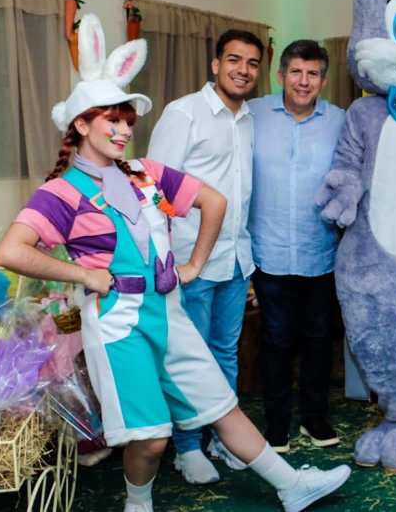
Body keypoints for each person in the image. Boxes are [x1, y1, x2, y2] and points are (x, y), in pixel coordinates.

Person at [0, 15, 351, 512]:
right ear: (81, 125)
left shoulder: (143, 173)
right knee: (152, 438)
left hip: (168, 308)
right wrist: (83, 274)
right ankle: (138, 503)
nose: (124, 131)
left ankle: (292, 486)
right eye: (112, 121)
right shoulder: (61, 192)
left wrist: (194, 264)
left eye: (127, 122)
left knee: (223, 407)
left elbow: (215, 202)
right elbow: (11, 251)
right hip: (118, 322)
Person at [147, 30, 261, 484]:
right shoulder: (184, 113)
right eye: (234, 60)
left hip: (235, 258)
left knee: (225, 353)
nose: (243, 70)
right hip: (189, 261)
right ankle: (187, 446)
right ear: (215, 65)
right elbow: (153, 189)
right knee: (188, 357)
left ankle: (222, 439)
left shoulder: (249, 119)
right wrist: (168, 260)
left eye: (252, 63)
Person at [248, 40, 346, 452]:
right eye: (296, 72)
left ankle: (314, 419)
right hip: (267, 252)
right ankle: (276, 425)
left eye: (313, 74)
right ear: (281, 75)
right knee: (275, 341)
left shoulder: (340, 121)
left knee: (319, 340)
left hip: (320, 252)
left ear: (323, 80)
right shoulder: (252, 115)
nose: (304, 81)